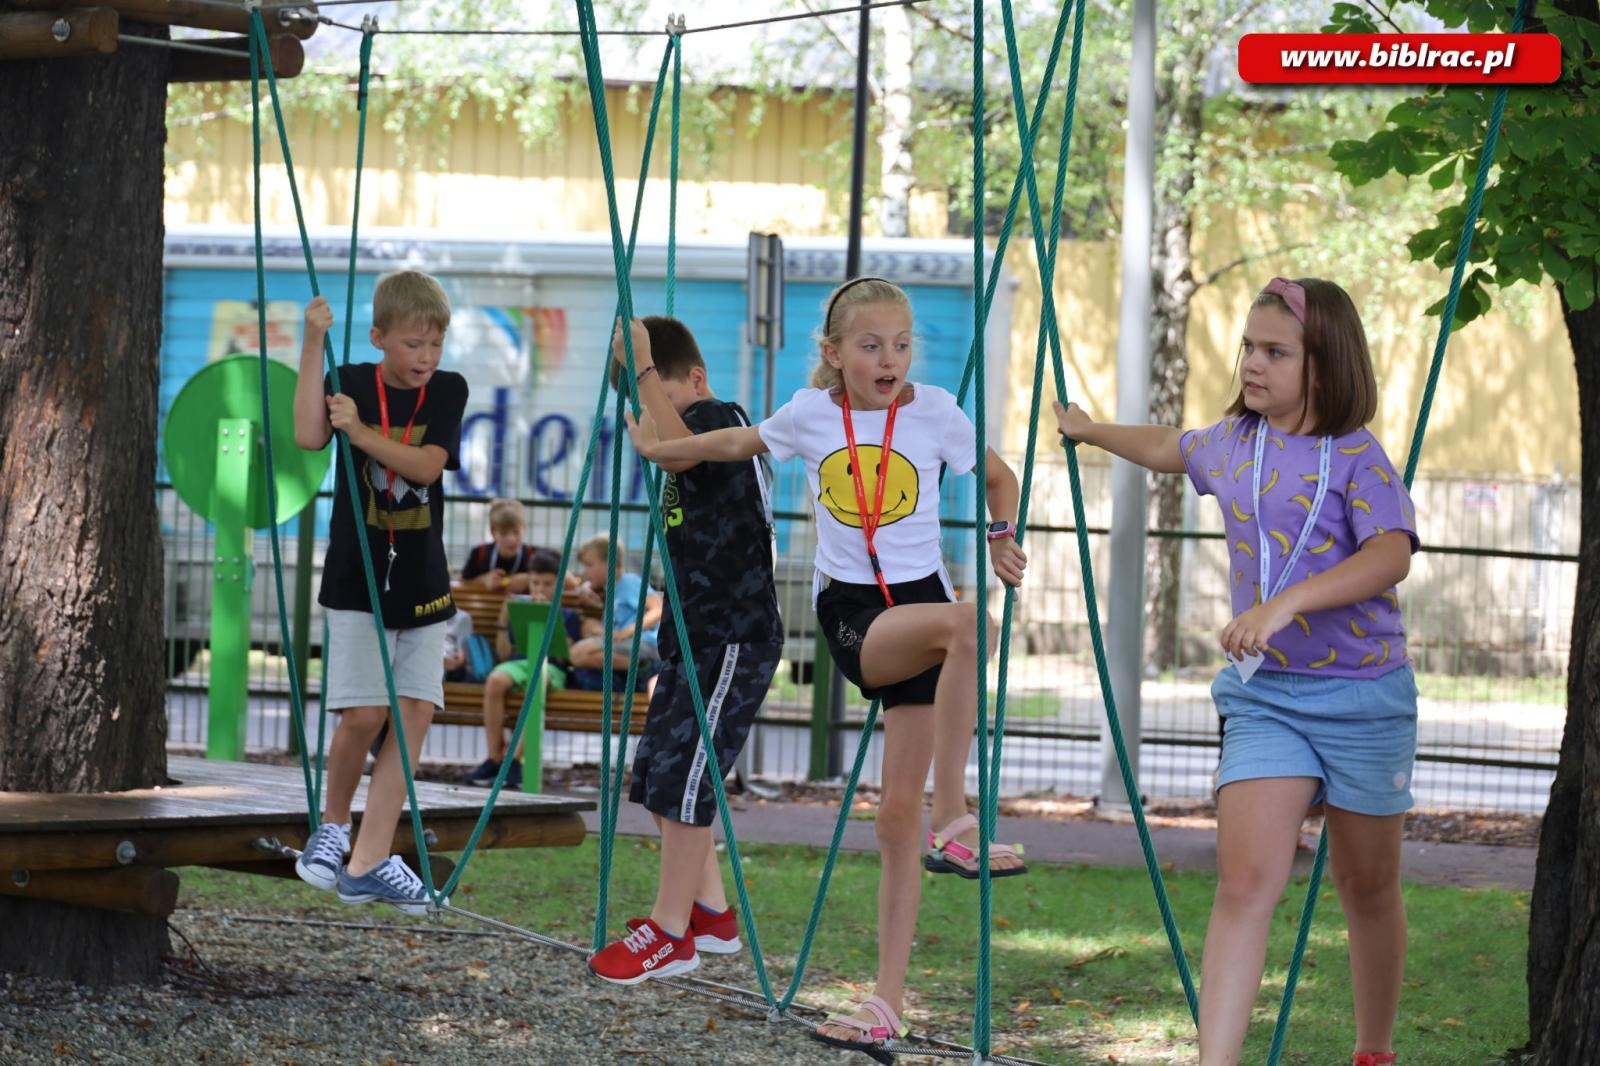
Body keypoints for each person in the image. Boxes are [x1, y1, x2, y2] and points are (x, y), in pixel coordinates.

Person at [624, 277, 1028, 1055]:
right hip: (858, 617)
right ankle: (958, 816)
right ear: (836, 354)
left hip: (925, 619)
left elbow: (1000, 475)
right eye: (871, 346)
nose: (890, 360)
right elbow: (724, 445)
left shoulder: (938, 412)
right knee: (972, 624)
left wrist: (1001, 532)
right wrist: (659, 446)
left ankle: (886, 1000)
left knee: (895, 824)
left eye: (902, 345)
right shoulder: (812, 415)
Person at [1055, 276, 1418, 1066]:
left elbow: (1390, 555)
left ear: (1323, 365)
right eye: (1249, 348)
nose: (1252, 364)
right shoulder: (1233, 445)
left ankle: (1374, 1050)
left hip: (1365, 699)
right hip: (1267, 701)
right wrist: (1087, 431)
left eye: (1274, 352)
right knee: (1246, 883)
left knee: (1366, 887)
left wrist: (1287, 604)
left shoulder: (1357, 458)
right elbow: (1167, 446)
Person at [587, 316, 783, 985]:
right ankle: (712, 914)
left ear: (694, 381)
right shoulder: (675, 431)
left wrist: (643, 364)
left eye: (661, 395)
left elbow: (680, 448)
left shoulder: (720, 417)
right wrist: (647, 403)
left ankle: (670, 931)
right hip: (690, 633)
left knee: (687, 781)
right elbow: (665, 447)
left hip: (734, 632)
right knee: (658, 777)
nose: (652, 415)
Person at [290, 270, 468, 915]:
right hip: (357, 577)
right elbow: (310, 435)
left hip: (422, 581)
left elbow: (424, 465)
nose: (426, 358)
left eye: (436, 344)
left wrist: (361, 433)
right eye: (414, 344)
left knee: (415, 713)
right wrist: (313, 344)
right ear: (379, 338)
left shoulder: (448, 390)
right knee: (365, 713)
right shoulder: (353, 380)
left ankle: (368, 858)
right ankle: (333, 828)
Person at [466, 549, 571, 789]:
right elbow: (504, 655)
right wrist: (504, 620)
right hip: (518, 666)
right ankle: (494, 758)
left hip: (550, 670)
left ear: (559, 584)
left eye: (547, 584)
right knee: (495, 680)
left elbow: (565, 660)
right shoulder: (520, 611)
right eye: (535, 583)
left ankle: (514, 760)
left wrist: (551, 617)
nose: (540, 590)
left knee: (538, 679)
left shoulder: (568, 614)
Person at [565, 533, 662, 694]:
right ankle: (639, 665)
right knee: (580, 655)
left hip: (643, 642)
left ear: (608, 563)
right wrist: (586, 588)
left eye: (589, 565)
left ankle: (646, 665)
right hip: (625, 645)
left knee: (576, 653)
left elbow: (658, 609)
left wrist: (628, 631)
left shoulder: (629, 582)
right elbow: (587, 585)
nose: (586, 571)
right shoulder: (612, 587)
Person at [460, 497, 538, 593]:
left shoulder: (534, 555)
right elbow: (463, 582)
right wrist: (484, 580)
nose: (511, 539)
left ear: (524, 529)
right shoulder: (479, 553)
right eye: (503, 533)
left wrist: (529, 579)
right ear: (493, 532)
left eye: (516, 532)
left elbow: (553, 580)